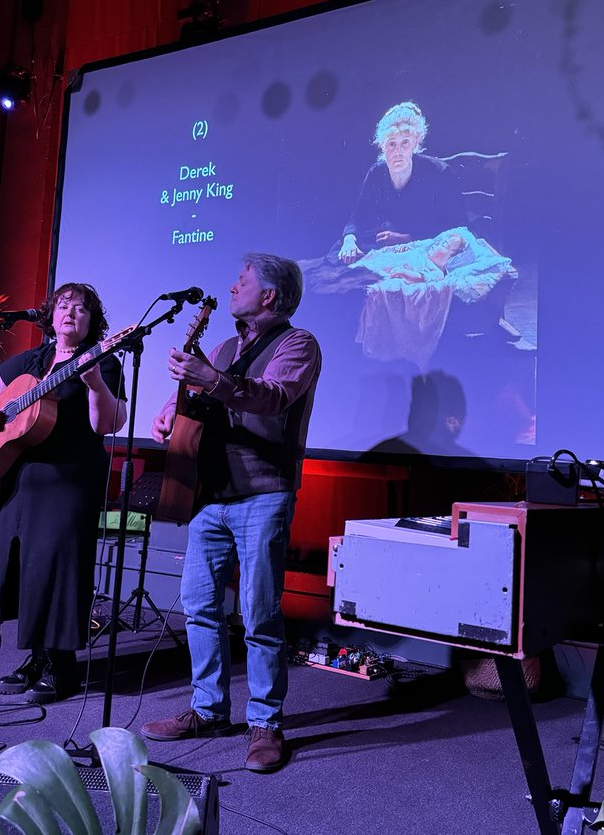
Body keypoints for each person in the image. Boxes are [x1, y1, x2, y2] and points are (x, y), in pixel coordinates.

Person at [141, 253, 321, 774]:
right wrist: (168, 414)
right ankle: (208, 710)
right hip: (210, 494)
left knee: (259, 612)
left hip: (263, 492)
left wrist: (212, 379)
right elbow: (196, 401)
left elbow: (274, 398)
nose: (232, 287)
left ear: (269, 295)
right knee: (200, 607)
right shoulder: (222, 347)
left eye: (242, 281)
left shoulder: (297, 344)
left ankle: (265, 723)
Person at [0, 283, 127, 703]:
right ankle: (37, 658)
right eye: (64, 306)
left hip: (70, 479)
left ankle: (63, 666)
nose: (71, 313)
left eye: (81, 309)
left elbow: (106, 424)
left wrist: (95, 385)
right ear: (50, 315)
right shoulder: (34, 359)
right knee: (23, 567)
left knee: (59, 568)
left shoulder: (103, 360)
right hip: (24, 478)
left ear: (92, 322)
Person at [337, 101, 467, 263]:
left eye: (405, 142)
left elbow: (455, 227)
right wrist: (349, 239)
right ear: (382, 146)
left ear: (415, 143)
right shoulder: (377, 172)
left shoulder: (440, 173)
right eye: (392, 144)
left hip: (426, 249)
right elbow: (359, 215)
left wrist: (408, 238)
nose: (398, 152)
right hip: (385, 249)